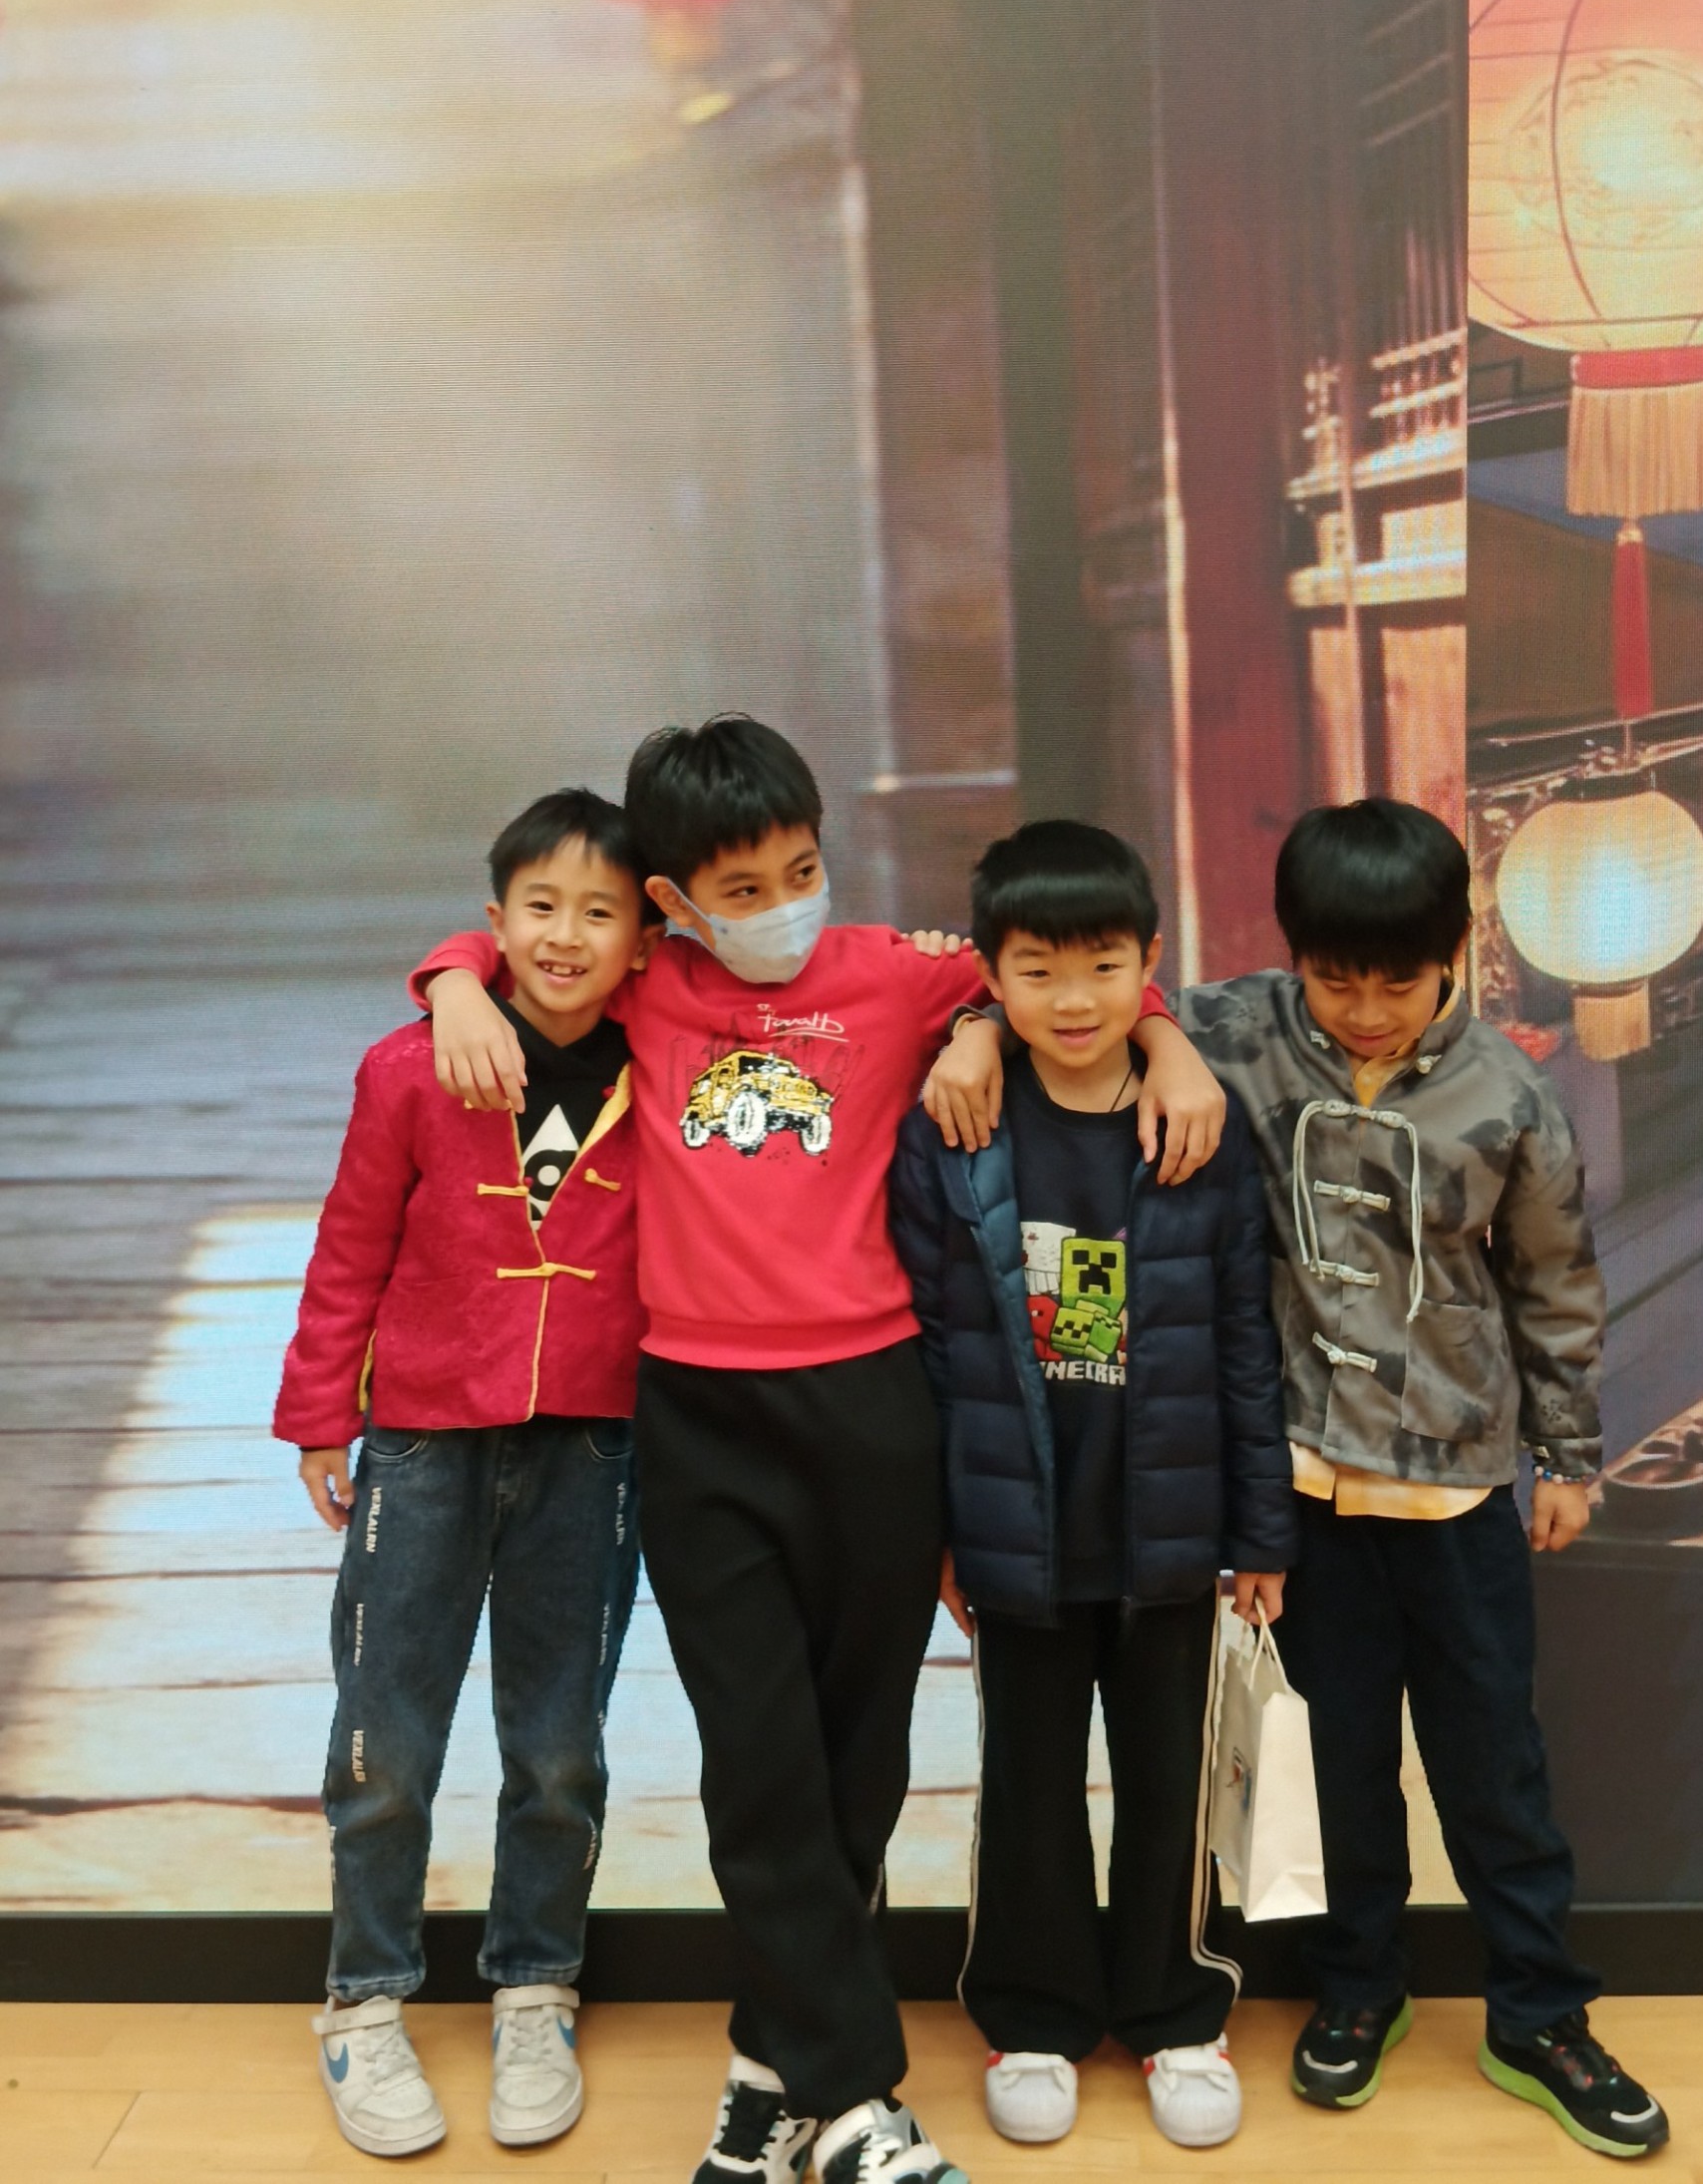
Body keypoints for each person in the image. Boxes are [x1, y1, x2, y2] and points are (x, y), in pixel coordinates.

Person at [409, 717, 1227, 2184]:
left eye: (803, 869)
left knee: (860, 1765)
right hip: (700, 1416)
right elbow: (537, 945)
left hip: (872, 1411)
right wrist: (452, 981)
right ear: (673, 900)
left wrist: (1151, 1039)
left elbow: (1065, 973)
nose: (785, 904)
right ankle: (860, 2104)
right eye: (743, 887)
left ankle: (767, 2079)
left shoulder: (894, 975)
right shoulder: (649, 981)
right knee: (759, 1759)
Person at [922, 797, 1670, 2163]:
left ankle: (1540, 2012)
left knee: (1493, 1764)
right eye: (1337, 980)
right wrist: (1012, 1030)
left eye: (1401, 981)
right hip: (1308, 1491)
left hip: (1455, 1491)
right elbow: (1079, 990)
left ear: (1458, 954)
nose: (1367, 1012)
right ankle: (1358, 1988)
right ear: (1294, 959)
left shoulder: (1509, 1094)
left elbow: (1556, 1279)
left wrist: (1568, 1450)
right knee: (1338, 1769)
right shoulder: (1239, 1029)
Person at [890, 821, 1296, 2154]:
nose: (1074, 1000)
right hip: (1019, 1526)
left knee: (1169, 1780)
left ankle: (1176, 2012)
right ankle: (1034, 2013)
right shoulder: (956, 1130)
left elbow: (1245, 1341)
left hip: (1167, 1526)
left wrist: (1259, 1529)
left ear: (1150, 963)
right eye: (1038, 970)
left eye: (1104, 967)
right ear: (989, 977)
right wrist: (940, 1527)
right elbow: (928, 1348)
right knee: (1029, 1782)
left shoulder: (1197, 1126)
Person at [273, 788, 650, 2160]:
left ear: (645, 940)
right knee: (384, 1737)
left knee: (559, 1744)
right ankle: (364, 1998)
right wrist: (323, 1413)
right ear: (495, 921)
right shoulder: (410, 1067)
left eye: (600, 912)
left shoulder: (667, 1061)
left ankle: (536, 1984)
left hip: (593, 1443)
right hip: (425, 1437)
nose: (566, 935)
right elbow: (349, 1246)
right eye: (539, 907)